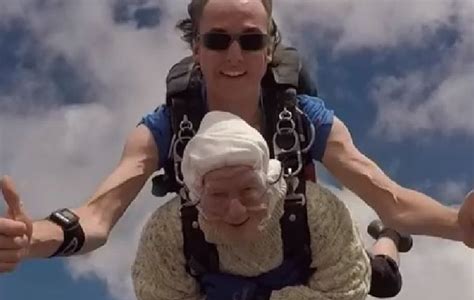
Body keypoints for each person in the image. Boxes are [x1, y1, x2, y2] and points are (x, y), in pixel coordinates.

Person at [0, 0, 472, 275]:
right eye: (216, 39)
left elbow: (390, 198)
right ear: (195, 48)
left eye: (249, 41)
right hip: (217, 248)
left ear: (269, 50)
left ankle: (386, 244)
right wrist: (31, 239)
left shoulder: (304, 119)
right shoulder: (167, 125)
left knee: (379, 277)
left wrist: (459, 224)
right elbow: (99, 216)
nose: (234, 54)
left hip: (290, 240)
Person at [132, 111, 409, 300]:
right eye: (217, 195)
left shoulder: (317, 210)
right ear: (195, 197)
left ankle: (390, 234)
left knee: (384, 280)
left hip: (307, 265)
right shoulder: (169, 229)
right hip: (247, 283)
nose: (236, 211)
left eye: (248, 190)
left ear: (270, 181)